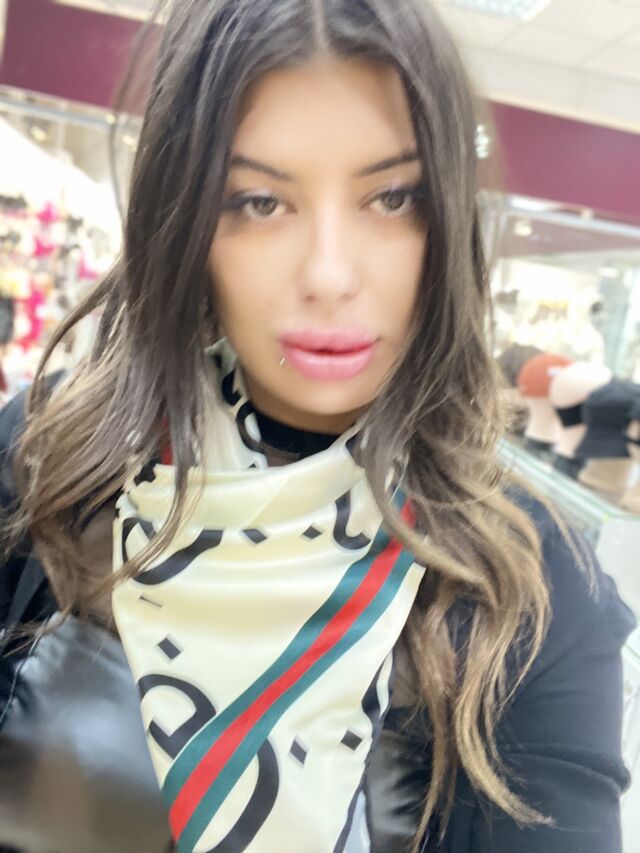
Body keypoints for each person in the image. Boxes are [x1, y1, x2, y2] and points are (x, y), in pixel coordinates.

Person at [0, 1, 635, 851]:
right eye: (259, 201)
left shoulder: (530, 580)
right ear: (186, 220)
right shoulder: (54, 456)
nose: (331, 274)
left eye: (393, 197)